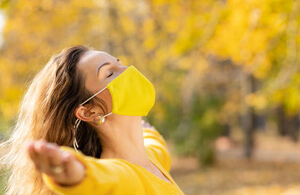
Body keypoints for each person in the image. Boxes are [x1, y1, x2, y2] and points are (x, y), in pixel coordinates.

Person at [1, 45, 185, 195]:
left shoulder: (151, 157)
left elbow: (157, 146)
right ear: (88, 112)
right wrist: (74, 174)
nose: (128, 70)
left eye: (119, 63)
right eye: (110, 73)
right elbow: (99, 178)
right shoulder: (118, 174)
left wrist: (148, 131)